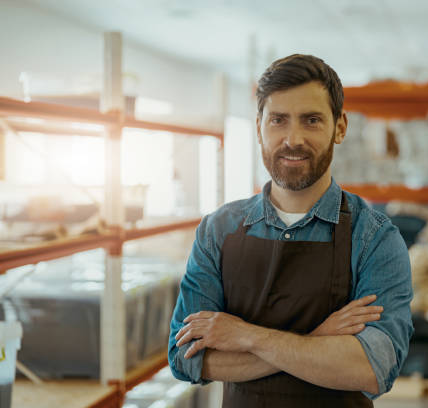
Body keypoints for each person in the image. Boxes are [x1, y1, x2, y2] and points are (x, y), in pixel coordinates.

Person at [168, 54, 413, 407]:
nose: (292, 138)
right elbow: (185, 358)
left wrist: (245, 335)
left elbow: (373, 367)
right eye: (278, 120)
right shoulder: (218, 231)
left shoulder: (373, 237)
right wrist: (318, 339)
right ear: (258, 128)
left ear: (340, 127)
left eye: (311, 120)